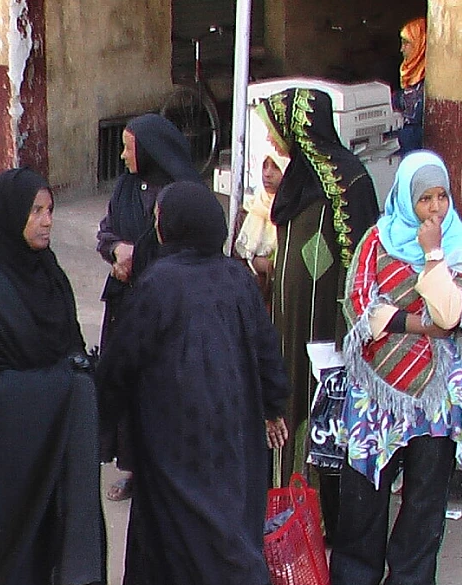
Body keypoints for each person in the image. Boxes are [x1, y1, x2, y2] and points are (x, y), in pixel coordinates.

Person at [96, 181, 290, 585]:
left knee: (174, 538)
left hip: (174, 439)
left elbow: (122, 362)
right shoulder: (237, 278)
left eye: (159, 220)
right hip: (234, 433)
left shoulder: (157, 284)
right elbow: (267, 349)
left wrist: (98, 423)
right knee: (230, 533)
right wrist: (273, 406)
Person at [0, 168, 105, 585]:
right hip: (1, 466)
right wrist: (60, 386)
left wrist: (77, 374)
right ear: (10, 215)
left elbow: (67, 342)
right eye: (35, 211)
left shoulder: (48, 274)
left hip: (52, 446)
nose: (47, 221)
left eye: (50, 210)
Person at [332, 150, 462, 585]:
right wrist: (418, 324)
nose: (435, 208)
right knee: (364, 492)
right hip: (377, 389)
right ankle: (355, 576)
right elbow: (361, 309)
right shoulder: (375, 241)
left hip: (438, 395)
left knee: (424, 499)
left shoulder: (460, 245)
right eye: (425, 199)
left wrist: (433, 253)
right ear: (405, 198)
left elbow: (451, 316)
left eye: (442, 197)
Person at [256, 86, 380, 536]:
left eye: (276, 130)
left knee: (324, 404)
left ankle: (325, 514)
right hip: (291, 323)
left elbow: (363, 255)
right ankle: (287, 507)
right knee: (291, 397)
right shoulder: (299, 180)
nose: (272, 140)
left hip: (329, 323)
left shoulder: (350, 183)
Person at [95, 112, 203, 502]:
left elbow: (191, 248)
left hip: (167, 307)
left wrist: (138, 258)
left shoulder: (184, 193)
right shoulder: (125, 188)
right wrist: (116, 252)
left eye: (129, 148)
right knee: (127, 385)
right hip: (126, 303)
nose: (123, 156)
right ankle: (133, 466)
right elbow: (106, 231)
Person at [234, 147, 289, 305]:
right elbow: (235, 256)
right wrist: (254, 262)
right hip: (253, 299)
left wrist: (273, 266)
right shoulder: (249, 208)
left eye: (276, 167)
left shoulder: (292, 212)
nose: (267, 174)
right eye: (265, 166)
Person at [396, 16, 427, 155]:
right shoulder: (408, 72)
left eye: (406, 43)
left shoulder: (429, 76)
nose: (401, 49)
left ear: (419, 44)